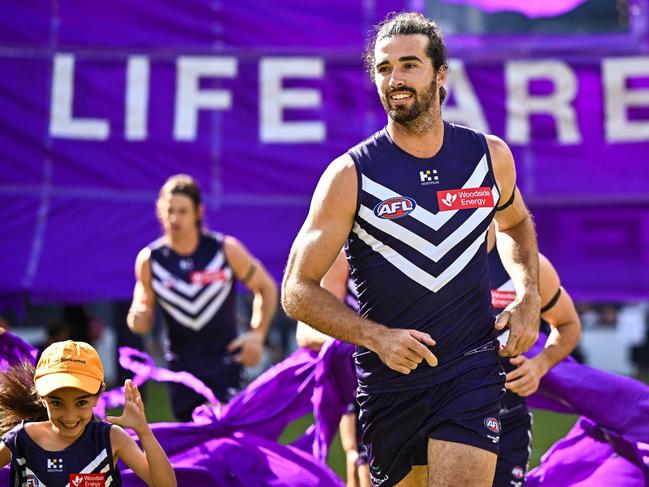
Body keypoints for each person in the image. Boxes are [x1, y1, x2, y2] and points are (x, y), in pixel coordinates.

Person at [282, 11, 541, 487]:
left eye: (408, 65)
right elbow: (296, 290)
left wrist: (528, 297)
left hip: (471, 372)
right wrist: (375, 336)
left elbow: (517, 222)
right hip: (389, 383)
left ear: (440, 75)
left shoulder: (488, 157)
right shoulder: (349, 175)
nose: (394, 79)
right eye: (383, 68)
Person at [127, 174, 278, 421]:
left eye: (183, 211)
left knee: (226, 437)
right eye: (170, 210)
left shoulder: (225, 249)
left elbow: (266, 287)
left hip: (225, 363)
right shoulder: (150, 260)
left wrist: (257, 335)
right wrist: (138, 318)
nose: (175, 218)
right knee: (194, 446)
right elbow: (141, 316)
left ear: (198, 211)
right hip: (181, 369)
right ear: (160, 212)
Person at [0, 340, 176, 486]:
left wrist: (143, 430)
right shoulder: (21, 439)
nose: (70, 415)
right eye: (57, 403)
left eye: (81, 403)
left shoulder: (111, 438)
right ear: (41, 397)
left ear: (97, 396)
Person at [485, 226, 581, 486]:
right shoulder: (425, 262)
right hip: (438, 410)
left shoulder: (529, 266)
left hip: (506, 417)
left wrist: (540, 365)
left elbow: (568, 324)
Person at [296, 251, 370, 487]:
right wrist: (362, 339)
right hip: (356, 373)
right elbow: (306, 332)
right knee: (358, 456)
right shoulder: (340, 253)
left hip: (411, 370)